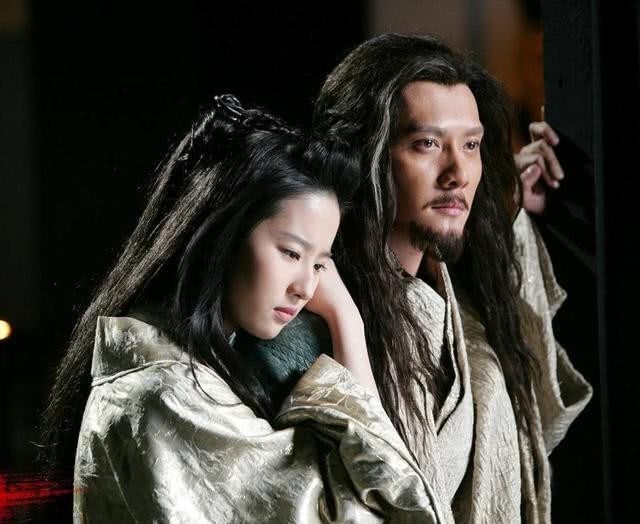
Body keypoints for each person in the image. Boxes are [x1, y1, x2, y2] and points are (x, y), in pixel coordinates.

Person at [40, 95, 443, 523]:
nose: (306, 288)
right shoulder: (167, 397)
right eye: (291, 253)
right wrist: (347, 319)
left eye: (320, 265)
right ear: (224, 232)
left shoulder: (178, 372)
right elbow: (388, 510)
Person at [247, 34, 592, 523]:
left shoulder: (457, 297)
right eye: (426, 144)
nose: (457, 173)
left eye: (470, 145)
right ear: (368, 155)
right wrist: (345, 319)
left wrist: (510, 207)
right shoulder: (300, 319)